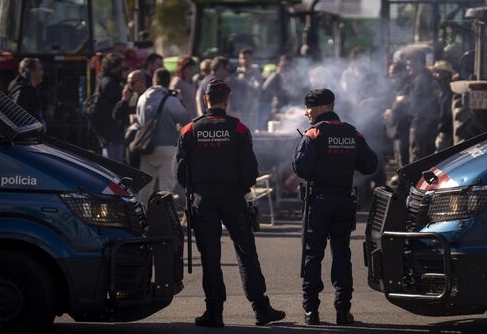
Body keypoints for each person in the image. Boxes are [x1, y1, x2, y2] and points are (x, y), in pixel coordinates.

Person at [174, 78, 286, 327]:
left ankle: (214, 313)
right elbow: (250, 170)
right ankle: (261, 309)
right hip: (234, 198)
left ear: (206, 100)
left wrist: (195, 191)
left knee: (210, 258)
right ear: (227, 101)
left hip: (202, 200)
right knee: (247, 253)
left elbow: (180, 172)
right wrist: (242, 190)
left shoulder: (189, 130)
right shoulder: (239, 130)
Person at [293, 89, 378, 326]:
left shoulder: (313, 133)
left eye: (309, 107)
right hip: (343, 202)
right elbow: (370, 164)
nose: (306, 112)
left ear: (321, 107)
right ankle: (343, 310)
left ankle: (311, 312)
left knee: (312, 255)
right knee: (342, 255)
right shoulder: (352, 132)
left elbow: (301, 168)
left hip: (318, 202)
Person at [137, 68, 190, 202]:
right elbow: (186, 121)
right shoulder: (171, 100)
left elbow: (139, 121)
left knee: (145, 187)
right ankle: (162, 218)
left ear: (154, 80)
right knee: (166, 187)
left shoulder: (142, 98)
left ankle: (143, 217)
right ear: (169, 81)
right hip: (168, 149)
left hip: (146, 148)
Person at [87, 53, 126, 162]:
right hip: (111, 130)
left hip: (109, 131)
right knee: (114, 163)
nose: (122, 71)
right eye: (120, 68)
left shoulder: (104, 80)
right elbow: (118, 99)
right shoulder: (108, 83)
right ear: (113, 68)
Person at [406, 51, 439, 163]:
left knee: (417, 156)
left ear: (420, 63)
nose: (408, 67)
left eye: (411, 64)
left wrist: (404, 100)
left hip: (420, 123)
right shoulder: (429, 76)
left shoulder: (421, 79)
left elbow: (415, 103)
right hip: (430, 123)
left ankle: (416, 180)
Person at [114, 70, 148, 166]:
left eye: (132, 82)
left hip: (144, 140)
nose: (129, 85)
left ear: (142, 81)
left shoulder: (148, 96)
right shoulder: (130, 96)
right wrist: (124, 100)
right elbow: (116, 115)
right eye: (128, 82)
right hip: (131, 140)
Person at [385, 61, 411, 168]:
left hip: (403, 127)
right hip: (395, 128)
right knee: (398, 158)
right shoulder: (396, 87)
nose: (392, 77)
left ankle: (404, 184)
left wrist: (393, 108)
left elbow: (405, 102)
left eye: (394, 73)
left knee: (403, 159)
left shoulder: (408, 85)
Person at [8, 58, 49, 125]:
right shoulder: (22, 91)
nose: (43, 72)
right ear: (32, 72)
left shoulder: (32, 89)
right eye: (40, 69)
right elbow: (18, 118)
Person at [430, 60, 457, 151]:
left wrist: (440, 129)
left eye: (438, 73)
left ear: (445, 74)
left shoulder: (448, 92)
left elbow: (445, 115)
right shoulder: (442, 91)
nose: (435, 75)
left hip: (445, 133)